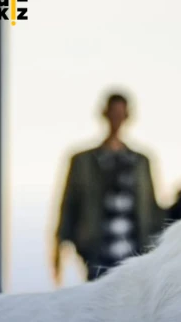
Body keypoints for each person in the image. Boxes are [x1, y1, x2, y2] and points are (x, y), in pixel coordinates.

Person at [53, 92, 164, 284]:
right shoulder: (83, 161)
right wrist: (59, 248)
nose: (117, 119)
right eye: (113, 113)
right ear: (105, 114)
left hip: (135, 253)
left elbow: (152, 209)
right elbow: (68, 205)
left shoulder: (140, 162)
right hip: (96, 252)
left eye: (120, 114)